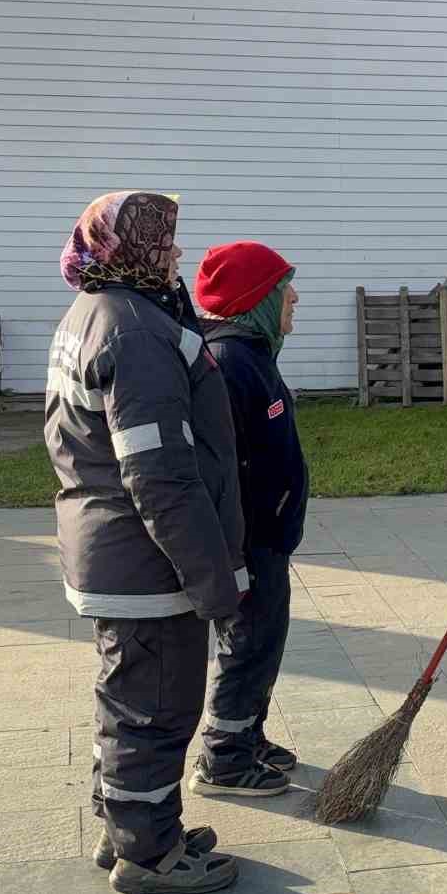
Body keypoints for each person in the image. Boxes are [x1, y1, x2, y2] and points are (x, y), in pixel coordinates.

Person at [45, 191, 247, 894]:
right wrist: (214, 582)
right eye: (165, 243)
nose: (178, 256)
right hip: (147, 565)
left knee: (129, 697)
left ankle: (129, 827)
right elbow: (160, 477)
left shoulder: (97, 310)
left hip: (113, 551)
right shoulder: (133, 334)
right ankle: (151, 857)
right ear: (130, 250)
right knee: (157, 708)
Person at [187, 241, 309, 797]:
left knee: (265, 639)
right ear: (256, 297)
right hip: (249, 540)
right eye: (285, 287)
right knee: (248, 642)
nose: (296, 297)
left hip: (268, 536)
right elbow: (222, 464)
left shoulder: (252, 353)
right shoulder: (230, 363)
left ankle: (248, 736)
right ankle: (224, 758)